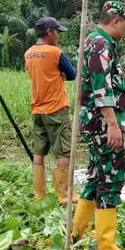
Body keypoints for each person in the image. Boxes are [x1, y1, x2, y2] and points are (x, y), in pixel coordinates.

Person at [71, 0, 125, 250]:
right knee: (111, 179)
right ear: (116, 21)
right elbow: (102, 88)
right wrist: (112, 124)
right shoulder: (100, 44)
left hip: (97, 123)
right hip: (103, 124)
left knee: (95, 177)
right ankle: (106, 246)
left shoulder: (96, 41)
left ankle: (76, 233)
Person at [24, 17, 77, 202]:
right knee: (63, 151)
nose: (58, 36)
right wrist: (59, 74)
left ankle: (39, 193)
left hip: (37, 109)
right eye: (57, 32)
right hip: (55, 107)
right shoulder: (55, 52)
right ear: (49, 32)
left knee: (39, 151)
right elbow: (72, 74)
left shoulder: (28, 53)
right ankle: (63, 194)